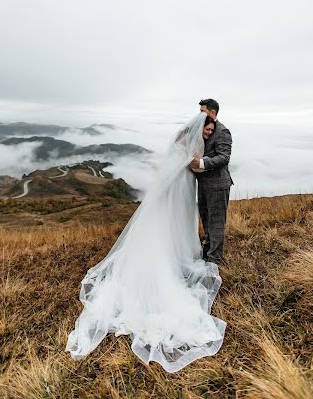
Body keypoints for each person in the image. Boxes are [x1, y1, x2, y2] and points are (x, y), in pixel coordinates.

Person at [66, 112, 226, 373]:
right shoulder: (190, 144)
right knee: (164, 234)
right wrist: (197, 163)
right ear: (199, 127)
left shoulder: (184, 140)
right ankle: (167, 262)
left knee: (168, 232)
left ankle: (174, 255)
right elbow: (191, 165)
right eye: (206, 131)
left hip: (177, 192)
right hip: (173, 193)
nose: (208, 135)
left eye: (210, 132)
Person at [189, 99, 233, 265]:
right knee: (206, 219)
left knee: (216, 223)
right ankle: (207, 252)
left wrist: (201, 163)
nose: (199, 114)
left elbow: (224, 158)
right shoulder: (202, 127)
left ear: (212, 112)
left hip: (218, 185)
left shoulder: (222, 131)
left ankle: (214, 260)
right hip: (203, 184)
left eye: (202, 111)